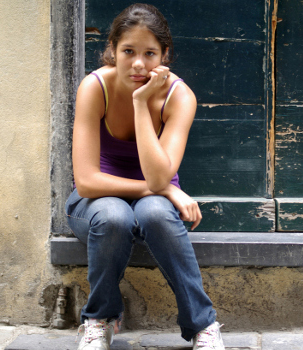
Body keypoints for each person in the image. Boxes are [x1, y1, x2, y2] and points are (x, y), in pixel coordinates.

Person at [65, 4, 224, 350]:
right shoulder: (94, 88)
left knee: (152, 211)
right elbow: (88, 181)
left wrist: (141, 103)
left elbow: (156, 176)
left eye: (150, 53)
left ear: (165, 54)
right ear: (112, 50)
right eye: (128, 52)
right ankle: (99, 320)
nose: (139, 64)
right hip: (94, 203)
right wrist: (169, 191)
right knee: (114, 215)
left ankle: (203, 326)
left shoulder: (179, 96)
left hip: (154, 199)